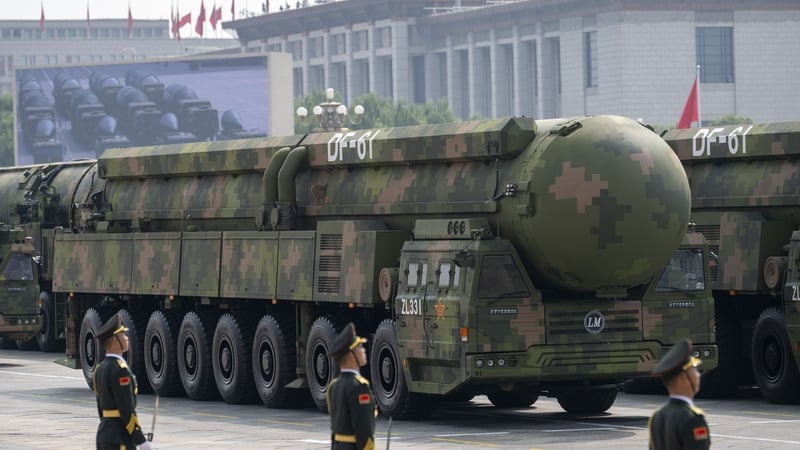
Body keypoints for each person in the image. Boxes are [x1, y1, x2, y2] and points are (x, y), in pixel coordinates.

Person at [93, 313, 152, 450]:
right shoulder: (120, 371)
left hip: (104, 435)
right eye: (123, 335)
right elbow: (126, 410)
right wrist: (141, 440)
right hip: (120, 438)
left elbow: (101, 410)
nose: (126, 338)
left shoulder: (99, 370)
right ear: (115, 340)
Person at [648, 338, 710, 450]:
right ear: (683, 378)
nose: (698, 375)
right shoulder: (692, 419)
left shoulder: (657, 417)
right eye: (695, 371)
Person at [326, 322, 376, 450]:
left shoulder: (333, 386)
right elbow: (363, 429)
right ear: (350, 356)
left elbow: (336, 428)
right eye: (359, 347)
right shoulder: (359, 387)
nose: (363, 350)